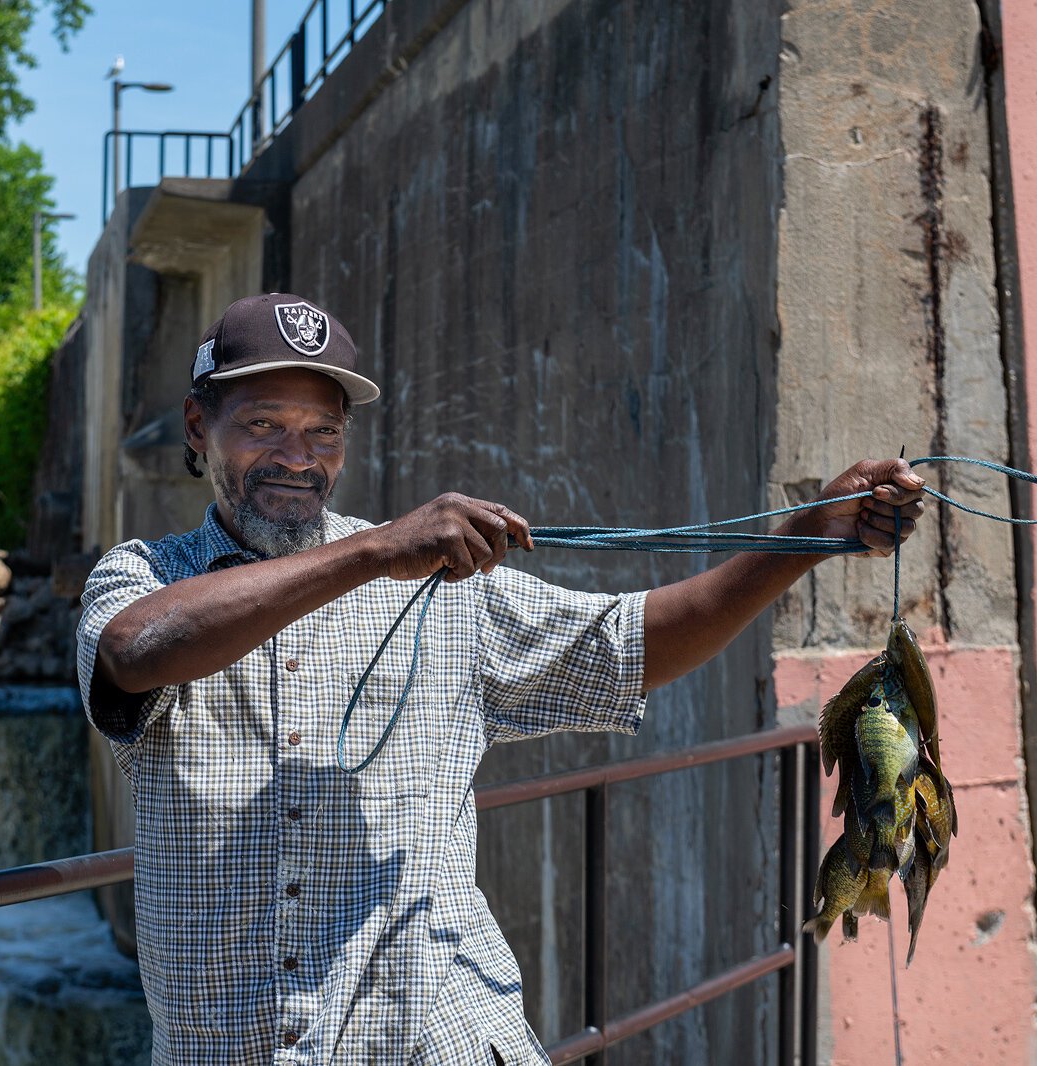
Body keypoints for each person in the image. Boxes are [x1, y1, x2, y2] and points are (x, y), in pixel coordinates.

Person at [75, 293, 925, 1065]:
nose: (297, 458)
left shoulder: (443, 589)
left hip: (433, 1038)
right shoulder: (143, 576)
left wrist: (808, 534)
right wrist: (372, 553)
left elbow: (628, 645)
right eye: (263, 425)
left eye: (323, 432)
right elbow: (137, 652)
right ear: (197, 426)